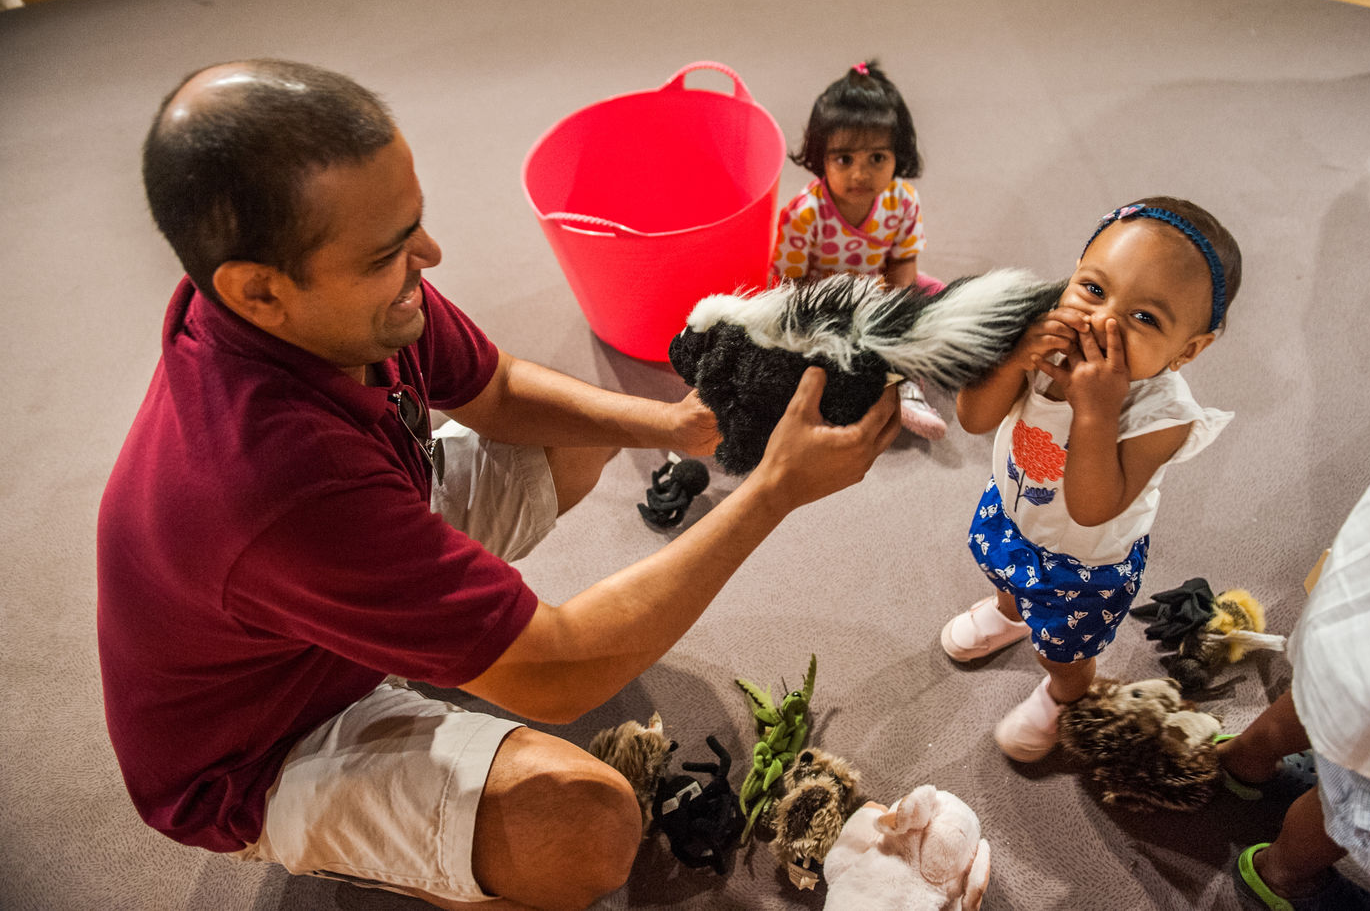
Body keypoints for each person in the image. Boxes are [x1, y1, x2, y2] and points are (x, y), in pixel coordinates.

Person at [96, 59, 901, 911]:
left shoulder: (336, 309)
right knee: (589, 827)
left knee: (575, 437)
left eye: (415, 223)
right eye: (388, 252)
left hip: (324, 591)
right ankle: (358, 828)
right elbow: (555, 673)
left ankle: (407, 658)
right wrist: (771, 493)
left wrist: (665, 425)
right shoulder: (273, 480)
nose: (429, 258)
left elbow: (498, 387)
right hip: (261, 745)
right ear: (259, 291)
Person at [940, 197, 1240, 762]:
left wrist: (1096, 411)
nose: (1103, 322)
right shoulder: (1039, 340)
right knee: (1002, 575)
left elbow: (1091, 507)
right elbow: (974, 419)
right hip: (1012, 511)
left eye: (1145, 318)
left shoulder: (1161, 417)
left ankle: (1064, 696)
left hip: (1081, 564)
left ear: (1188, 350)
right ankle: (1008, 615)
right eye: (1094, 290)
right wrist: (1010, 360)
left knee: (1063, 649)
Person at [1219, 431, 1370, 911]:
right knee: (1363, 799)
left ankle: (1243, 759)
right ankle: (1284, 876)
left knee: (1316, 695)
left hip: (1350, 611)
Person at [770, 59, 948, 441]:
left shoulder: (902, 202)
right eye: (844, 159)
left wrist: (897, 315)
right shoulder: (805, 214)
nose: (860, 174)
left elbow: (902, 262)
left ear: (899, 155)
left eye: (877, 158)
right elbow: (790, 282)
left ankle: (907, 388)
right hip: (820, 299)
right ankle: (857, 388)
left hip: (878, 290)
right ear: (821, 157)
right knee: (806, 349)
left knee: (937, 295)